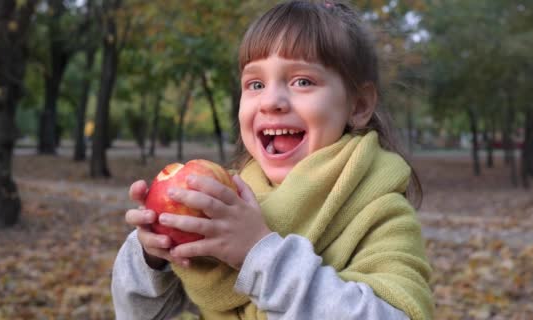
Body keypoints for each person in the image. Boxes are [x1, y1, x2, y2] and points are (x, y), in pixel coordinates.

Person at [111, 1, 433, 319]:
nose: (271, 101)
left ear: (359, 105)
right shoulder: (221, 204)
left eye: (302, 81)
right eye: (256, 84)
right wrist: (151, 258)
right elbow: (137, 314)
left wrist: (258, 253)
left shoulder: (379, 212)